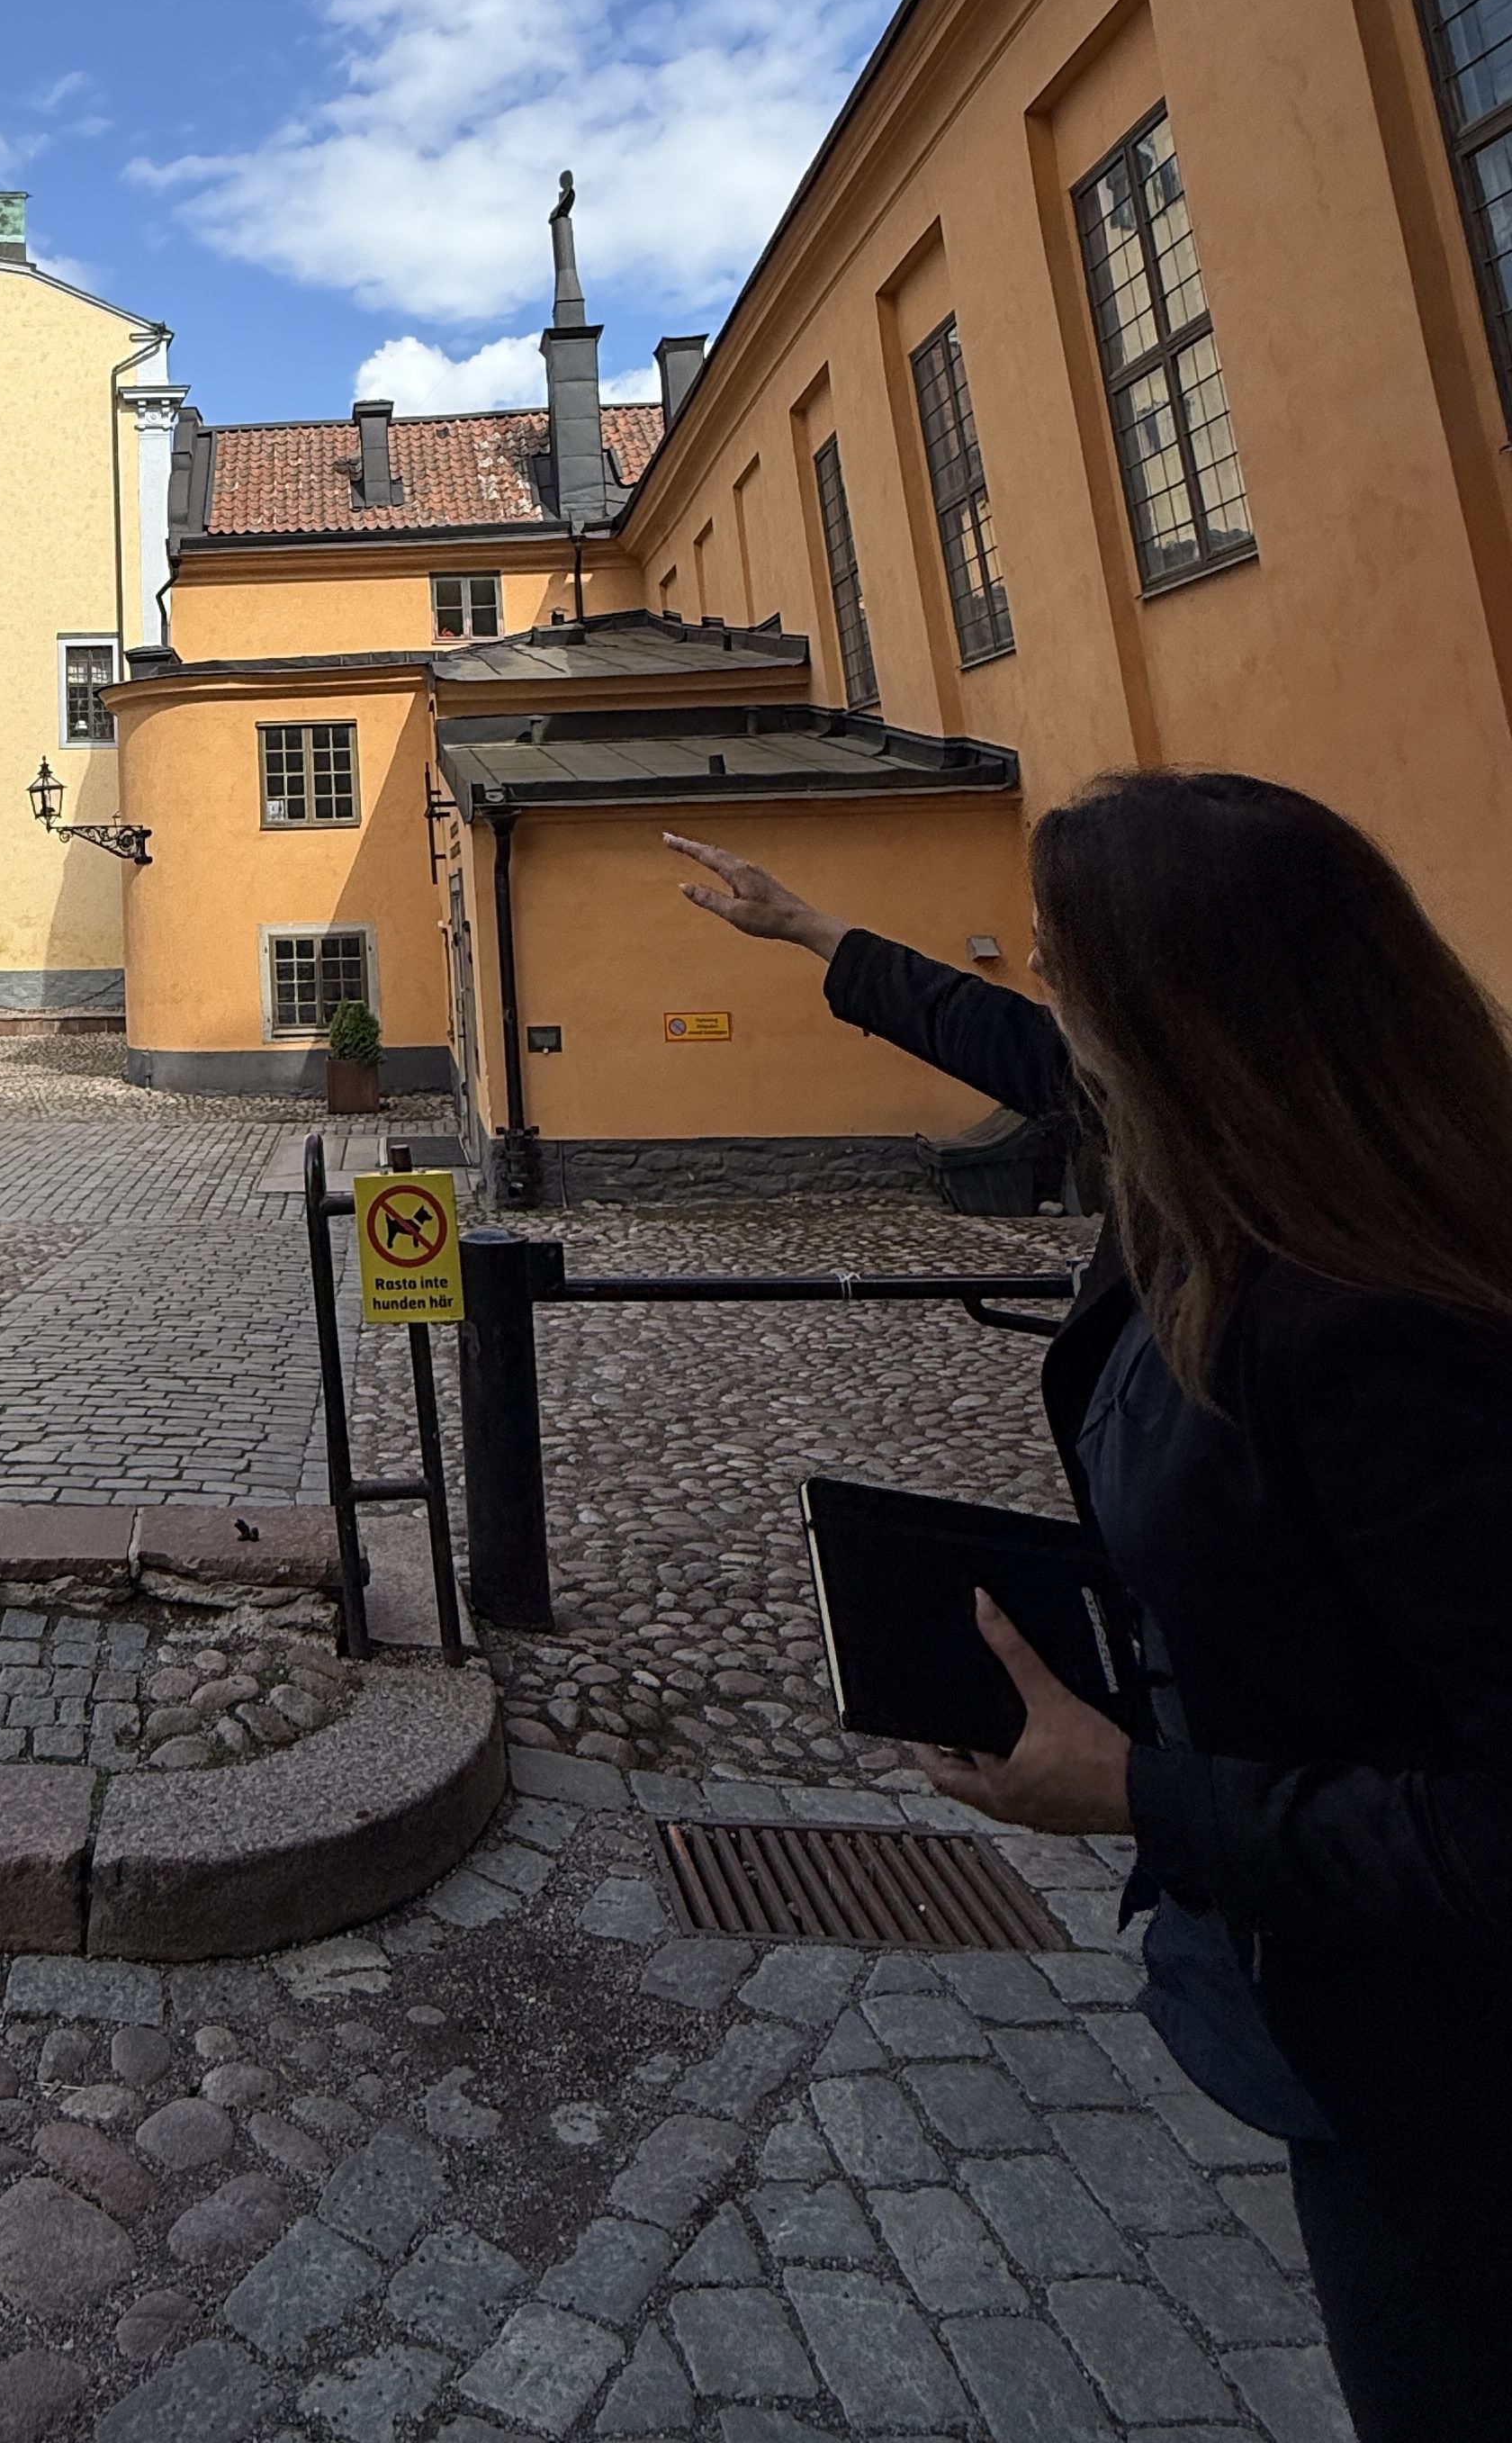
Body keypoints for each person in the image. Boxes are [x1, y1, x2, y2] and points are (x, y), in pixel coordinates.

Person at [669, 775, 1512, 2443]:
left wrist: (1141, 1791)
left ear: (1189, 1019)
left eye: (1071, 963)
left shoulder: (1382, 1329)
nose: (1046, 984)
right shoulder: (1244, 1162)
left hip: (1445, 2058)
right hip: (1323, 1985)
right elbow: (1017, 1049)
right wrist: (816, 932)